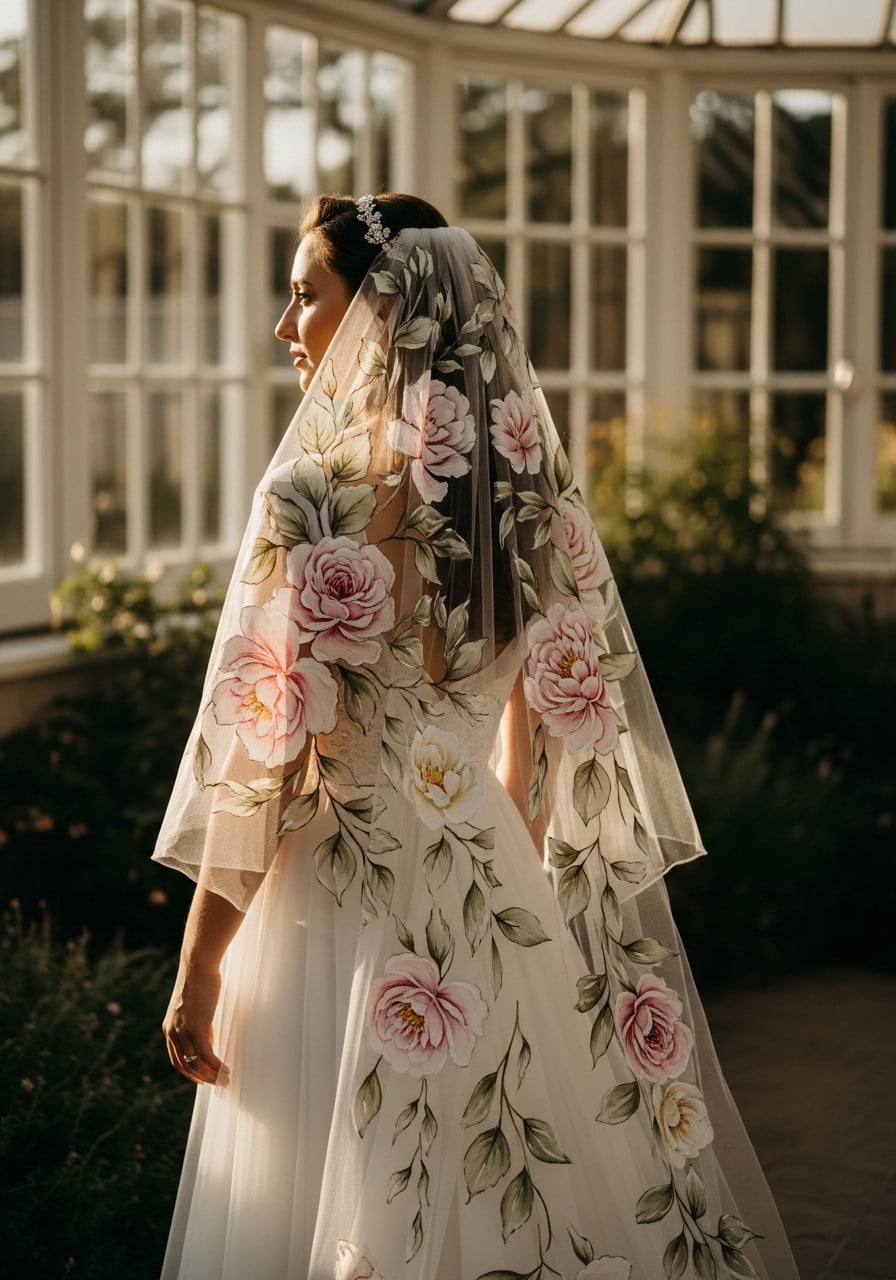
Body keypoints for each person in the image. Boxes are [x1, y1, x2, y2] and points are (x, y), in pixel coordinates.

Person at [154, 193, 801, 1280]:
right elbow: (542, 714)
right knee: (501, 1175)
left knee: (341, 1179)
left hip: (336, 895)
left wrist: (198, 968)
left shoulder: (312, 498)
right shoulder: (521, 495)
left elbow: (258, 757)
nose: (285, 324)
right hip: (486, 878)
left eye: (305, 293)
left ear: (382, 312)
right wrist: (502, 819)